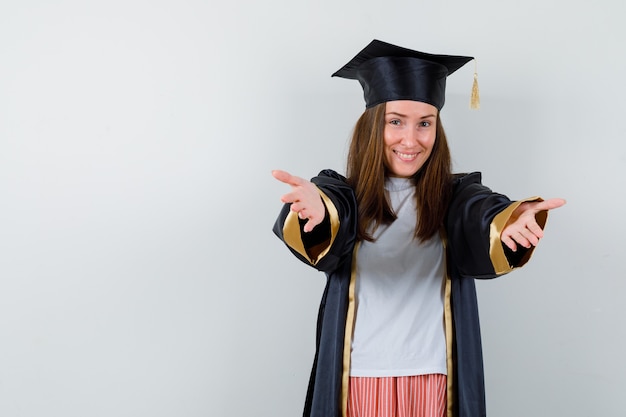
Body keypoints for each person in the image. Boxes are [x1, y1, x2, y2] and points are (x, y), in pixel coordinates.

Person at [271, 39, 565, 417]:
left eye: (425, 124)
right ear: (372, 126)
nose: (411, 140)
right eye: (396, 122)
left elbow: (482, 214)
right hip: (359, 375)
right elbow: (330, 216)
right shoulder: (343, 195)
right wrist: (316, 213)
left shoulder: (456, 196)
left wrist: (509, 222)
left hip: (434, 378)